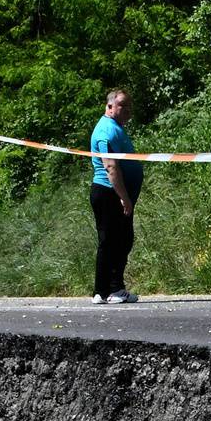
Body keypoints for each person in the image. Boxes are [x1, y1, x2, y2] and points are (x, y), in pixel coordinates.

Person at [89, 88, 143, 304]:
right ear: (110, 106)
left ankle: (111, 288)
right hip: (109, 193)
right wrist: (124, 197)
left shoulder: (115, 127)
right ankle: (106, 290)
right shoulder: (106, 131)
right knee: (111, 241)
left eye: (129, 106)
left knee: (121, 240)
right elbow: (111, 167)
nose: (128, 110)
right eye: (123, 105)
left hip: (115, 193)